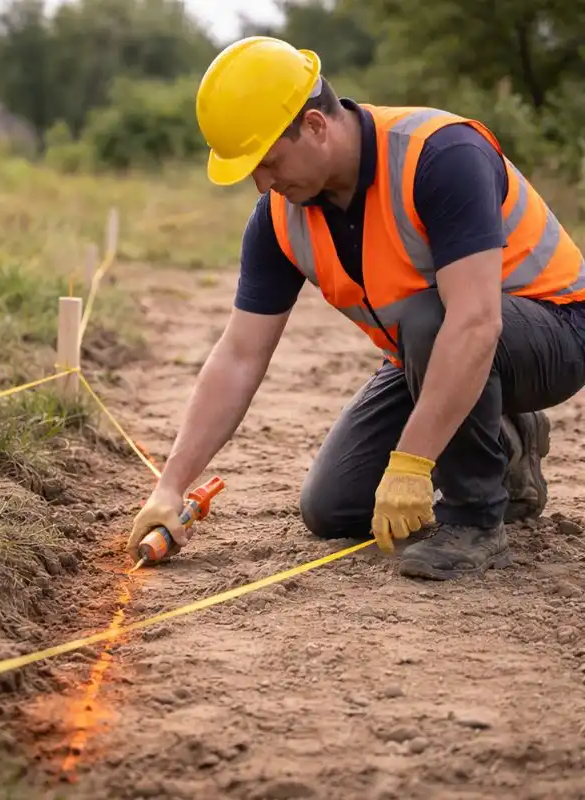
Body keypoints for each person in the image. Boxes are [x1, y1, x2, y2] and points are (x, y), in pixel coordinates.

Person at [126, 36, 585, 580]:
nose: (262, 182)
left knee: (428, 318)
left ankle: (476, 520)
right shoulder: (279, 217)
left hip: (554, 331)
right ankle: (508, 442)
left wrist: (413, 464)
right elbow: (240, 356)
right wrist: (170, 485)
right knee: (334, 508)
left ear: (316, 126)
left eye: (269, 161)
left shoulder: (440, 155)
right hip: (431, 348)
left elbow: (474, 321)